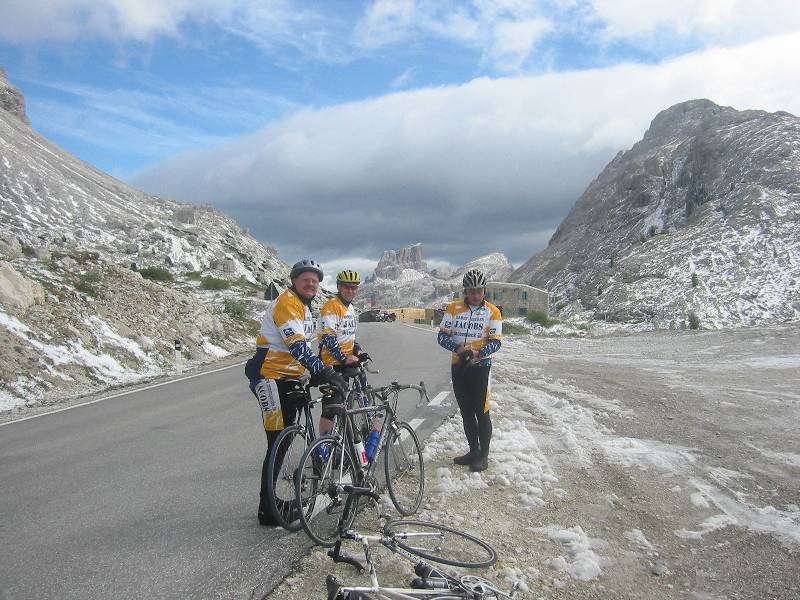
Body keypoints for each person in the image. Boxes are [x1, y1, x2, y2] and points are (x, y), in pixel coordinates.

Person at [245, 259, 347, 526]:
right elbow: (298, 348)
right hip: (267, 377)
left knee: (285, 438)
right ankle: (268, 509)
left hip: (287, 376)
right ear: (294, 280)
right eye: (305, 279)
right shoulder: (288, 303)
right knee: (277, 441)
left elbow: (303, 353)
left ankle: (272, 504)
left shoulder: (304, 306)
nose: (311, 284)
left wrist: (316, 373)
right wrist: (323, 371)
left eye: (315, 280)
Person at [437, 269, 502, 472]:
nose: (475, 295)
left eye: (479, 291)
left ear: (484, 291)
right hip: (459, 367)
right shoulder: (453, 309)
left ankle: (484, 456)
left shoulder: (493, 311)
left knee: (481, 412)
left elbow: (496, 342)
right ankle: (473, 450)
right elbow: (442, 336)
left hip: (481, 367)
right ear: (466, 291)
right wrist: (458, 349)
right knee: (466, 412)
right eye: (472, 291)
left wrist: (478, 353)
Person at [317, 269, 366, 436]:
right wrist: (345, 358)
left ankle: (340, 440)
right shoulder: (331, 307)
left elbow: (348, 336)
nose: (350, 291)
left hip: (345, 363)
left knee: (342, 403)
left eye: (354, 288)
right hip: (332, 365)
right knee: (331, 408)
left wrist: (357, 349)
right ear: (339, 287)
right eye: (347, 287)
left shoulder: (350, 308)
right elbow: (328, 340)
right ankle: (322, 449)